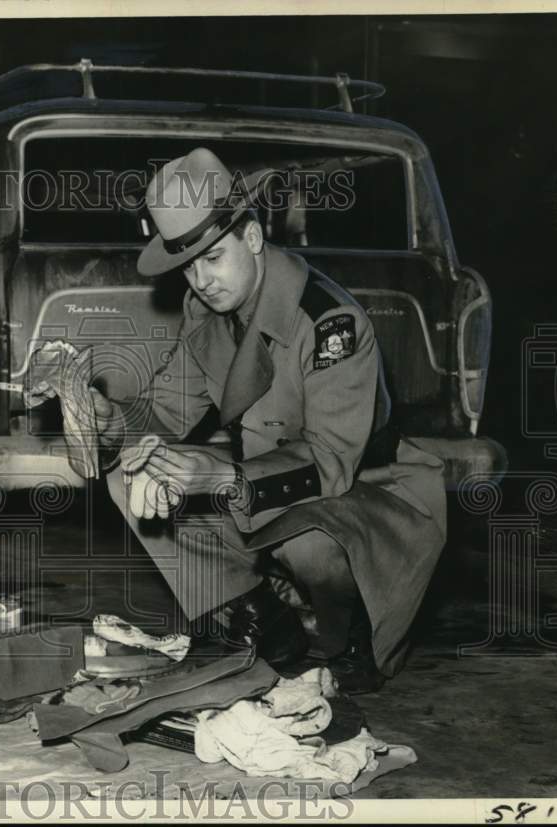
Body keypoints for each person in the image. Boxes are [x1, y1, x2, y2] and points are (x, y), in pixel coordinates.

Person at [41, 147, 448, 693]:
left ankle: (351, 639)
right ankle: (258, 620)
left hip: (371, 489)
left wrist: (216, 478)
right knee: (136, 472)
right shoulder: (208, 312)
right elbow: (165, 413)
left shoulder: (330, 322)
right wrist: (106, 419)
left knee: (310, 539)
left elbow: (330, 464)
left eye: (214, 258)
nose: (201, 280)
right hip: (266, 478)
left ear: (253, 238)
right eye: (188, 265)